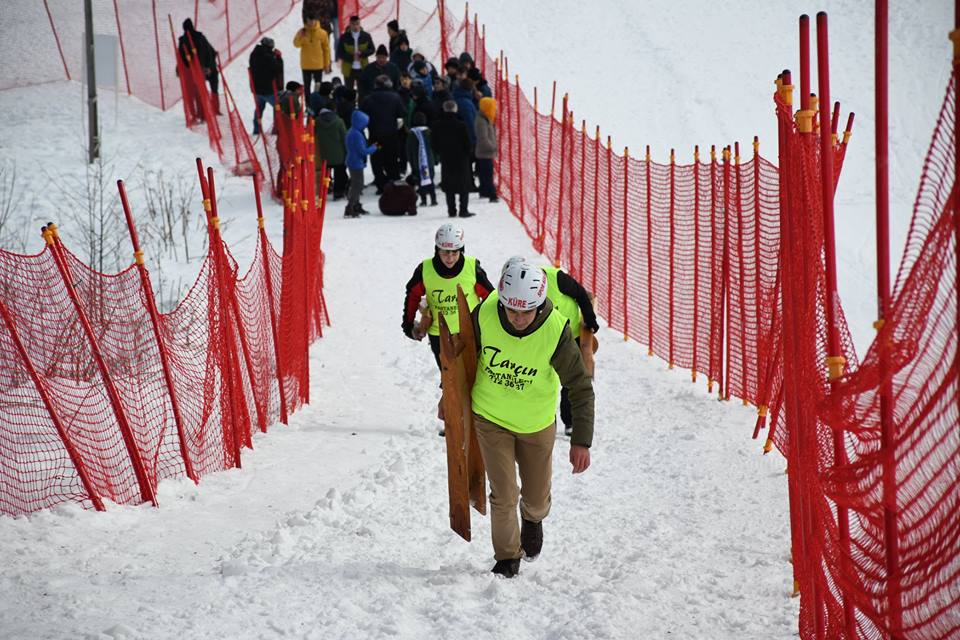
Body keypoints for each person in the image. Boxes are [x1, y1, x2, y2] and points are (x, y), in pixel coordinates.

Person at [469, 259, 594, 578]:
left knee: (536, 497)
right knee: (504, 493)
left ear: (539, 304)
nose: (519, 318)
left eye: (527, 311)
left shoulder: (555, 329)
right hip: (490, 416)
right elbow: (461, 359)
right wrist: (448, 396)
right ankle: (507, 557)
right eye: (512, 309)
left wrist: (581, 441)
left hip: (536, 422)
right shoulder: (484, 314)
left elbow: (579, 386)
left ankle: (533, 518)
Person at [401, 223, 495, 374]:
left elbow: (490, 298)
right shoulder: (425, 270)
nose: (450, 258)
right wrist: (408, 324)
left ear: (461, 250)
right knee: (450, 377)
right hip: (440, 335)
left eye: (454, 252)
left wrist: (488, 327)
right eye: (444, 252)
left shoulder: (472, 268)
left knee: (474, 375)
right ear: (437, 250)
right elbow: (413, 295)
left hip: (469, 332)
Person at [360, 75, 405, 193]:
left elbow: (362, 116)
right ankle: (394, 182)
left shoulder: (368, 99)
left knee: (377, 160)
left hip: (376, 137)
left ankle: (381, 184)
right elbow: (402, 113)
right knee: (392, 159)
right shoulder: (395, 97)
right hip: (391, 136)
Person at [431, 101, 474, 218]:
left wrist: (440, 152)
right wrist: (468, 153)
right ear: (455, 109)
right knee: (463, 184)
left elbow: (434, 143)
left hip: (446, 158)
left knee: (449, 184)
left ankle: (451, 210)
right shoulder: (461, 125)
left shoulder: (437, 125)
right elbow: (467, 142)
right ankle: (463, 210)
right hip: (461, 158)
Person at [178, 19, 221, 115]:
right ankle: (215, 109)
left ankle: (201, 112)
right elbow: (210, 51)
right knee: (214, 88)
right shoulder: (201, 37)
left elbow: (182, 57)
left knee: (199, 91)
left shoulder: (183, 41)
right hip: (209, 68)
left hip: (195, 71)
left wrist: (188, 66)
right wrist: (208, 66)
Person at [344, 110, 378, 217]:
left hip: (352, 161)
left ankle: (355, 205)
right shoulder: (357, 134)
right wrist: (373, 148)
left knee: (356, 184)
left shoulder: (351, 131)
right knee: (357, 186)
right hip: (356, 163)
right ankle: (350, 207)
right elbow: (362, 151)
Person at [248, 37, 284, 135]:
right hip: (269, 90)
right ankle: (277, 129)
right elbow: (277, 68)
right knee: (278, 108)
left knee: (258, 109)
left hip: (256, 89)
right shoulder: (268, 57)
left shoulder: (254, 54)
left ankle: (256, 130)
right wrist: (279, 58)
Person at [314, 103, 348, 201]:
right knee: (340, 173)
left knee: (325, 172)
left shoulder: (317, 122)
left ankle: (325, 189)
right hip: (339, 154)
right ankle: (338, 192)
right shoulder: (339, 121)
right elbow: (344, 137)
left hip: (324, 153)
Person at [336, 16, 375, 91]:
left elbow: (372, 49)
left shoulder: (366, 36)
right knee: (348, 92)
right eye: (353, 24)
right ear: (350, 25)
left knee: (363, 91)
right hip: (348, 69)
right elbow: (339, 52)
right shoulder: (344, 37)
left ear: (360, 24)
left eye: (357, 24)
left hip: (363, 68)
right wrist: (351, 57)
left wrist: (362, 54)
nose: (355, 26)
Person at [406, 111, 437, 207]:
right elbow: (434, 147)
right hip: (429, 161)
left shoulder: (412, 134)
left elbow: (409, 150)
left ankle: (424, 200)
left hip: (417, 162)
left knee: (421, 182)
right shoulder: (429, 132)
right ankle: (433, 199)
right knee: (430, 180)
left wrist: (411, 162)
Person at [294, 17, 331, 94]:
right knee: (307, 87)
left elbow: (326, 50)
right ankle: (308, 101)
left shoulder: (322, 33)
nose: (311, 22)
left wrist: (327, 64)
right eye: (309, 20)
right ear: (306, 21)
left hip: (318, 65)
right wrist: (300, 36)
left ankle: (317, 100)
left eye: (313, 20)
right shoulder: (302, 32)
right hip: (306, 65)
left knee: (318, 88)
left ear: (316, 20)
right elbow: (296, 44)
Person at [475, 96, 498, 202]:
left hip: (486, 151)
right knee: (488, 174)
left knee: (485, 173)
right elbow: (483, 138)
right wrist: (492, 147)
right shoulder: (482, 121)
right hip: (485, 152)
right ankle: (492, 194)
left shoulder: (486, 119)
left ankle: (484, 191)